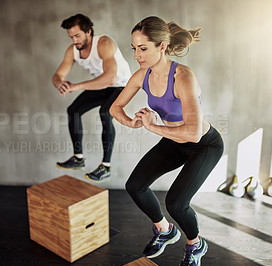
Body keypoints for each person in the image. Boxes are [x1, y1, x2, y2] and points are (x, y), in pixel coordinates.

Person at [110, 16, 224, 265]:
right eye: (134, 48)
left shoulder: (183, 76)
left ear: (161, 46)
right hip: (174, 141)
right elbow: (115, 107)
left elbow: (193, 133)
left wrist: (153, 127)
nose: (137, 55)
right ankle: (165, 230)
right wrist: (131, 122)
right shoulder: (142, 76)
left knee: (176, 203)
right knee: (135, 186)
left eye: (143, 49)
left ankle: (196, 244)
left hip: (204, 145)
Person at [53, 14, 131, 182]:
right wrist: (60, 83)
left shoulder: (104, 44)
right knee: (73, 110)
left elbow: (110, 78)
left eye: (77, 36)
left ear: (88, 32)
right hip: (102, 86)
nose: (74, 41)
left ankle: (106, 166)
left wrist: (76, 86)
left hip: (121, 86)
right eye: (71, 37)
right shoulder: (73, 50)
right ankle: (78, 158)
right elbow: (58, 74)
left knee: (105, 113)